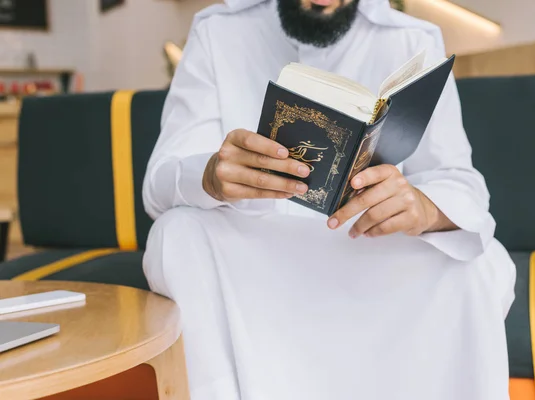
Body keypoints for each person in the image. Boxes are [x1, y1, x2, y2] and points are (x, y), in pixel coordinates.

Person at [142, 0, 516, 398]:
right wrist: (211, 176)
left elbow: (461, 184)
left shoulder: (412, 39)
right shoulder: (217, 31)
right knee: (175, 234)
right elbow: (159, 183)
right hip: (251, 260)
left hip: (368, 258)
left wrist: (422, 206)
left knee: (481, 262)